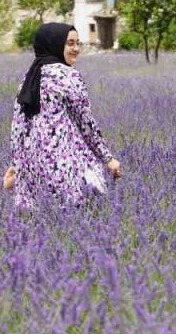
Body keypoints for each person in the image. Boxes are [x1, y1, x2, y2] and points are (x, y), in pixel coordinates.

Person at [10, 23, 122, 208]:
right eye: (70, 43)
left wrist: (17, 164)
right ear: (55, 44)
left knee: (40, 219)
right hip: (62, 164)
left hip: (31, 166)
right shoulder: (68, 76)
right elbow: (86, 124)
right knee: (80, 215)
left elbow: (17, 127)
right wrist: (108, 159)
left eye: (78, 43)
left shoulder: (29, 77)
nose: (76, 49)